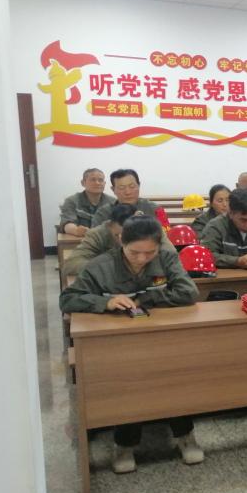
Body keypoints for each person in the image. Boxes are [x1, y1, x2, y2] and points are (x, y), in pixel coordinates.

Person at [59, 215, 202, 473]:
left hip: (160, 338)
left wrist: (146, 299)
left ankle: (185, 435)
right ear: (121, 242)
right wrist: (105, 302)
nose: (142, 259)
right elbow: (67, 299)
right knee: (128, 382)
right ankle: (124, 443)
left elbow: (189, 292)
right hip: (119, 344)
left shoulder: (166, 258)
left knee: (174, 376)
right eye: (134, 252)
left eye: (150, 252)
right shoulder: (101, 266)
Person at [62, 204, 144, 278]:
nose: (123, 241)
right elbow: (71, 265)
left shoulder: (145, 232)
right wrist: (108, 267)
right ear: (110, 225)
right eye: (118, 235)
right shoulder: (97, 235)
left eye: (130, 237)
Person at [59, 168, 115, 236]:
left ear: (104, 183)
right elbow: (66, 223)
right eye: (93, 180)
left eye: (100, 180)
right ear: (83, 183)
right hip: (80, 239)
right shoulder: (72, 201)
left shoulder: (113, 202)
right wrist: (76, 230)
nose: (97, 183)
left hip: (106, 239)